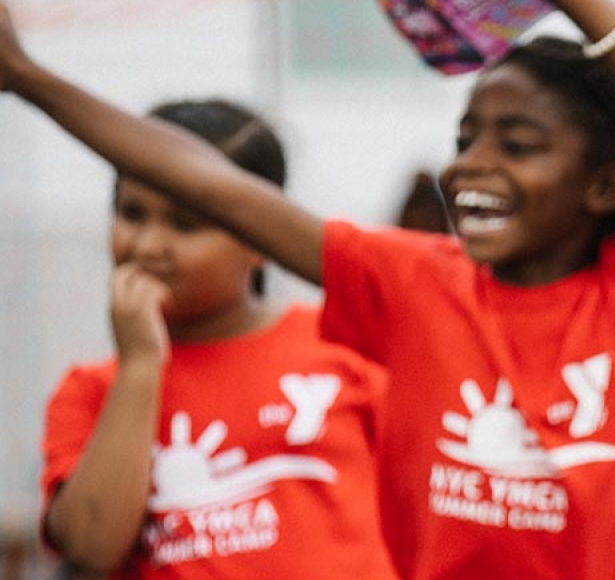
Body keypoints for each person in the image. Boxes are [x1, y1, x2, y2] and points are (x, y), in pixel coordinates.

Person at [0, 0, 615, 580]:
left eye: (516, 145)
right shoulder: (412, 282)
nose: (470, 167)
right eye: (466, 138)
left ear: (606, 185)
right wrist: (24, 76)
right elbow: (208, 183)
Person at [30, 100, 397, 580]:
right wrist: (141, 366)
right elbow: (91, 545)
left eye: (185, 223)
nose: (147, 245)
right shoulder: (91, 392)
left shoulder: (346, 349)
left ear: (261, 237)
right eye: (132, 213)